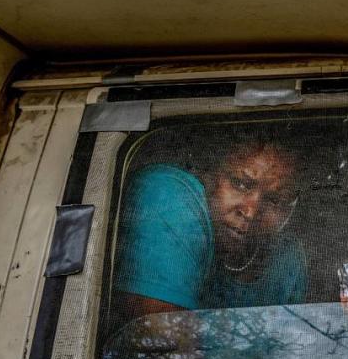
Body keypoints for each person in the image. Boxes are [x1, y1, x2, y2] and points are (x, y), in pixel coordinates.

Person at [111, 127, 308, 325]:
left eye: (274, 200)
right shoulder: (171, 199)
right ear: (208, 175)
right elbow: (163, 340)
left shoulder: (286, 258)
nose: (251, 212)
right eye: (240, 184)